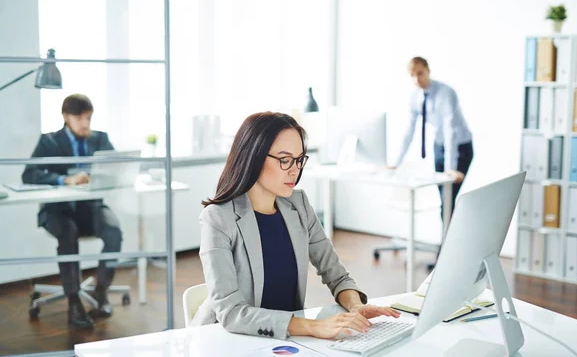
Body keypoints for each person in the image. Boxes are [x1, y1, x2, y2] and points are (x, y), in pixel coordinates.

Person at [192, 112, 400, 339]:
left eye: (299, 159)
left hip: (283, 342)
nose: (295, 170)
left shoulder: (298, 204)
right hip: (224, 340)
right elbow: (232, 314)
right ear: (254, 157)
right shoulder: (218, 218)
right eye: (284, 160)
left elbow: (337, 275)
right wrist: (311, 326)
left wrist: (355, 305)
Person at [22, 94, 122, 330]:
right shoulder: (49, 142)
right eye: (79, 118)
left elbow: (117, 166)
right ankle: (74, 302)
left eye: (88, 117)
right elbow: (29, 175)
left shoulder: (100, 139)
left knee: (114, 231)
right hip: (58, 212)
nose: (86, 123)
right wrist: (63, 179)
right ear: (66, 117)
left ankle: (100, 292)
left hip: (91, 209)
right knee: (68, 232)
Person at [395, 56, 474, 219]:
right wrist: (396, 162)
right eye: (412, 75)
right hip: (438, 146)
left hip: (460, 148)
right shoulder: (415, 97)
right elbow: (409, 131)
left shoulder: (446, 93)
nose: (417, 79)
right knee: (444, 199)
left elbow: (449, 130)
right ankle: (447, 242)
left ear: (428, 71)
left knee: (448, 197)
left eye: (420, 73)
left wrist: (450, 168)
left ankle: (448, 243)